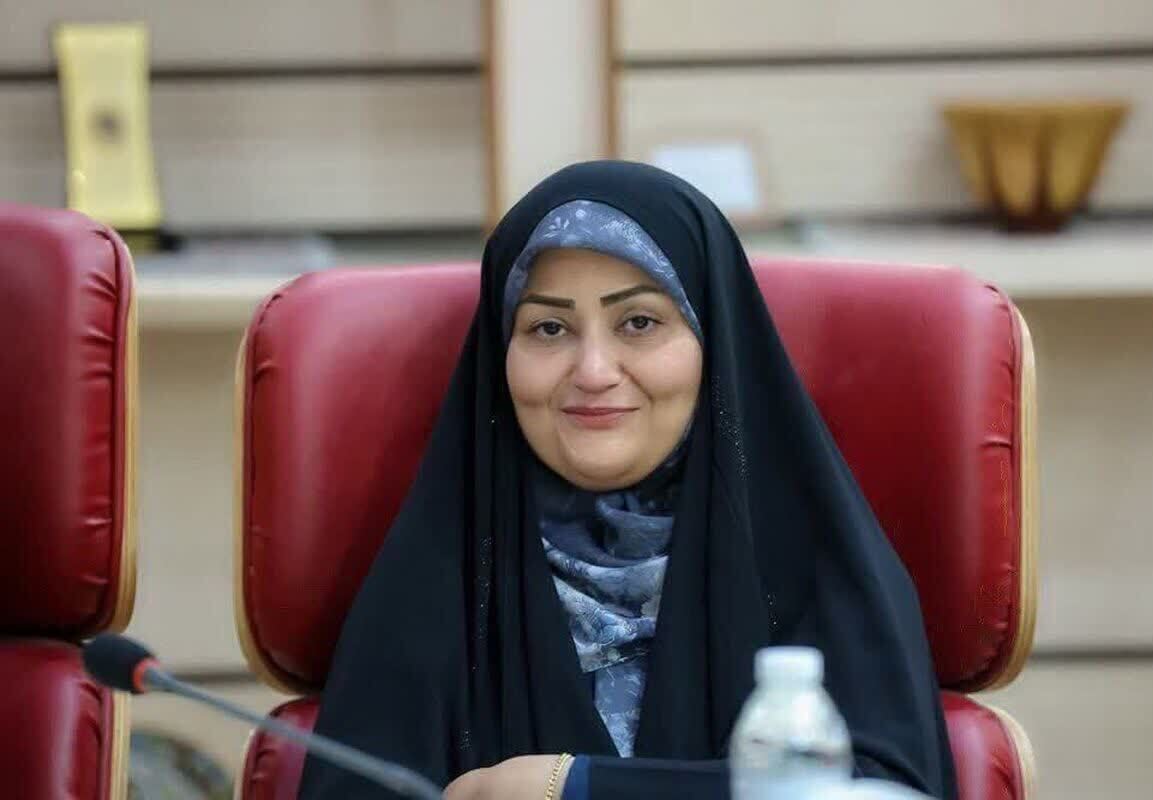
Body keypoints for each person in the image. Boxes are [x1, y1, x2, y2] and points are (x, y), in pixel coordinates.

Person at [299, 161, 957, 800]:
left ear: (714, 342)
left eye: (639, 323)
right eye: (548, 328)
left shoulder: (814, 564)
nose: (593, 371)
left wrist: (573, 787)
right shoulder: (441, 577)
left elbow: (882, 792)